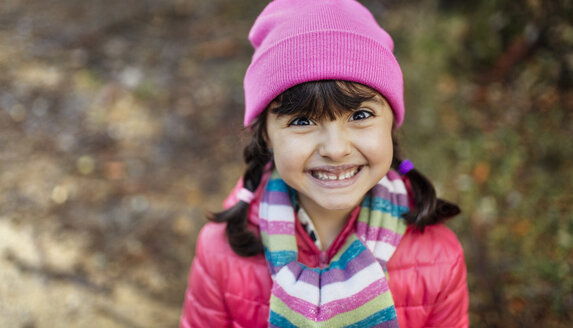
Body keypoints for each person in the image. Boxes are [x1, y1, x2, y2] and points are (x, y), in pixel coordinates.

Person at [180, 0, 469, 327]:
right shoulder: (220, 252)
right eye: (302, 121)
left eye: (360, 116)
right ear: (266, 137)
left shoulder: (439, 257)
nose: (335, 149)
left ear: (392, 123)